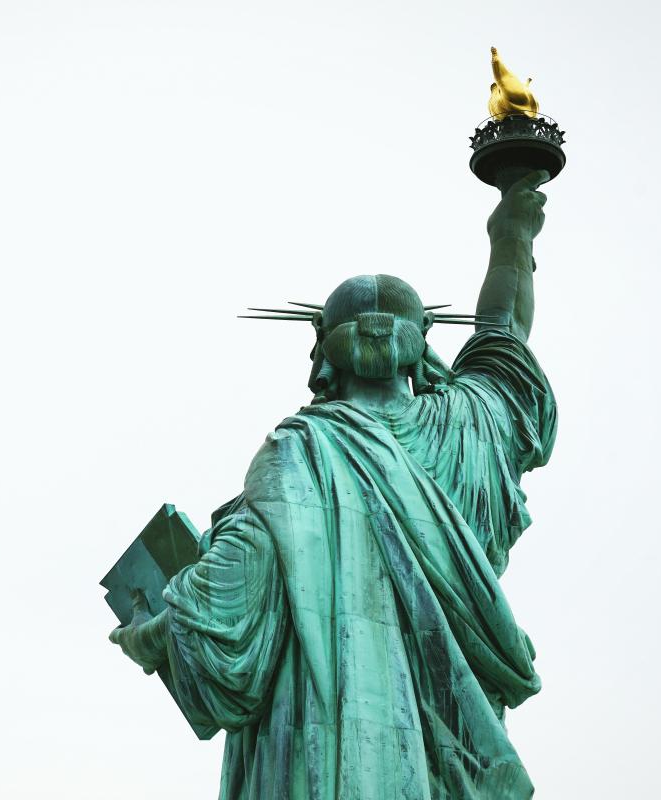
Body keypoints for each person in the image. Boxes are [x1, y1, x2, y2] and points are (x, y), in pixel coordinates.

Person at [109, 171, 557, 800]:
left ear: (324, 356)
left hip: (309, 769)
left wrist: (147, 631)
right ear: (419, 349)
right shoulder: (471, 433)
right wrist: (513, 226)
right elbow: (503, 332)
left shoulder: (296, 458)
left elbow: (218, 619)